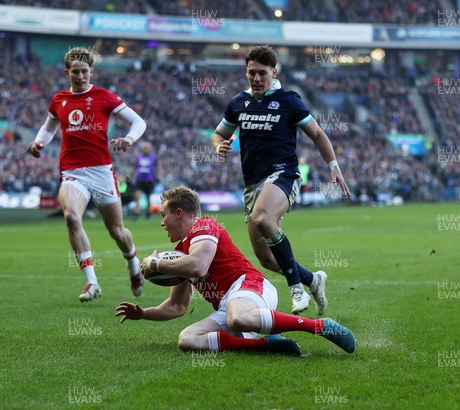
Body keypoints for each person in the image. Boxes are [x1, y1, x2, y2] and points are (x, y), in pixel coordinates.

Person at [115, 186, 355, 355]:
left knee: (237, 318)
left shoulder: (203, 225)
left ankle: (319, 326)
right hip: (228, 304)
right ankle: (266, 346)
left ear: (179, 213)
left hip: (249, 285)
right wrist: (143, 313)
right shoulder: (180, 252)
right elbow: (177, 306)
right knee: (188, 339)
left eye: (163, 215)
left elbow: (198, 266)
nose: (161, 222)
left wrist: (156, 264)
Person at [211, 45, 351, 315]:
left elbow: (318, 134)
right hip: (253, 184)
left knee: (264, 219)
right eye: (251, 73)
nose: (256, 79)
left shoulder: (289, 100)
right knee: (266, 259)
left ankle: (297, 290)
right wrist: (219, 146)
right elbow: (218, 134)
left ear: (274, 72)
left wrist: (334, 167)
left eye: (262, 73)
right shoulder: (238, 103)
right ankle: (313, 279)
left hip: (284, 174)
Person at [27, 47, 147, 302]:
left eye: (85, 71)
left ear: (91, 72)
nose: (80, 76)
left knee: (117, 232)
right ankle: (92, 282)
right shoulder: (59, 100)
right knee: (71, 217)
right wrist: (39, 143)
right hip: (73, 172)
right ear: (67, 73)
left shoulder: (103, 97)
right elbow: (48, 128)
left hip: (102, 171)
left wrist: (128, 138)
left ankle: (133, 265)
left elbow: (139, 122)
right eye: (75, 72)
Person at [132, 142, 159, 219]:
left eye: (147, 148)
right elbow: (134, 167)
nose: (146, 149)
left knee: (148, 197)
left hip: (149, 180)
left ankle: (148, 212)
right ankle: (137, 212)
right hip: (140, 179)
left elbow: (157, 168)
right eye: (144, 148)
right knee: (137, 196)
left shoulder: (153, 157)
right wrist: (129, 175)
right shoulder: (138, 157)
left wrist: (157, 176)